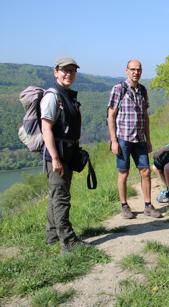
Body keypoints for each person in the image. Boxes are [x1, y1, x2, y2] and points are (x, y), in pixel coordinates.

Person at [41, 57, 90, 253]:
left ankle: (52, 235)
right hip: (57, 155)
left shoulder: (67, 95)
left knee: (57, 196)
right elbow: (46, 129)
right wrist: (54, 158)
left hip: (67, 153)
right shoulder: (53, 96)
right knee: (61, 198)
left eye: (72, 71)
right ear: (56, 72)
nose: (69, 74)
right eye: (65, 70)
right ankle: (68, 242)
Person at [107, 59, 162, 219]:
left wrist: (149, 139)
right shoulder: (118, 89)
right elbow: (111, 115)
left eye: (138, 69)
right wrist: (114, 141)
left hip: (140, 139)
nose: (136, 72)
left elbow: (145, 116)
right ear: (126, 70)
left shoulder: (143, 90)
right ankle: (124, 206)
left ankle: (148, 205)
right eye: (133, 69)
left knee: (145, 172)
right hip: (123, 138)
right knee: (123, 173)